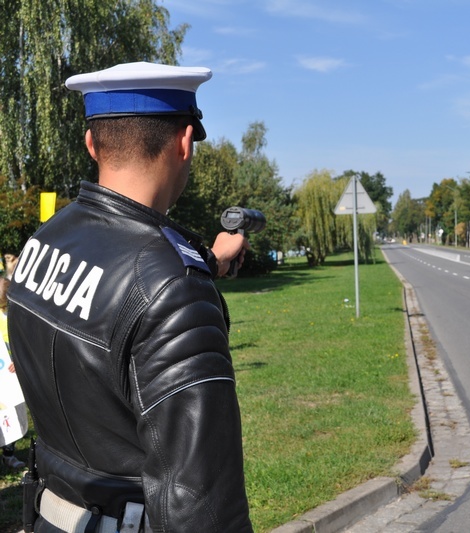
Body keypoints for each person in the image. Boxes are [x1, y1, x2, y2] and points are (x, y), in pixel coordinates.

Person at [7, 62, 253, 532]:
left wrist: (208, 262)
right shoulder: (174, 289)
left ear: (91, 143)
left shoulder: (44, 240)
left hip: (49, 515)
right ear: (184, 143)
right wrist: (189, 278)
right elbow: (200, 507)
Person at [0, 278, 26, 469]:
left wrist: (19, 359)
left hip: (11, 375)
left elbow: (26, 340)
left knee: (12, 412)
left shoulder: (17, 314)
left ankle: (8, 453)